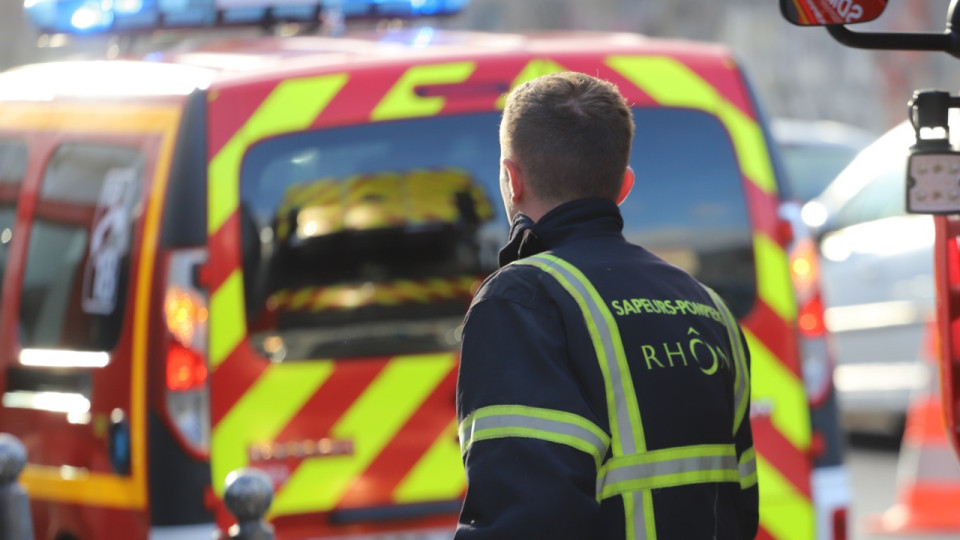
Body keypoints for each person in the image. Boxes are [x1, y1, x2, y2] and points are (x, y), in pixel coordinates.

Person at [455, 72, 759, 539]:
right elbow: (740, 506)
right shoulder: (708, 307)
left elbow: (526, 521)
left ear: (512, 180)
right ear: (624, 186)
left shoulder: (524, 300)